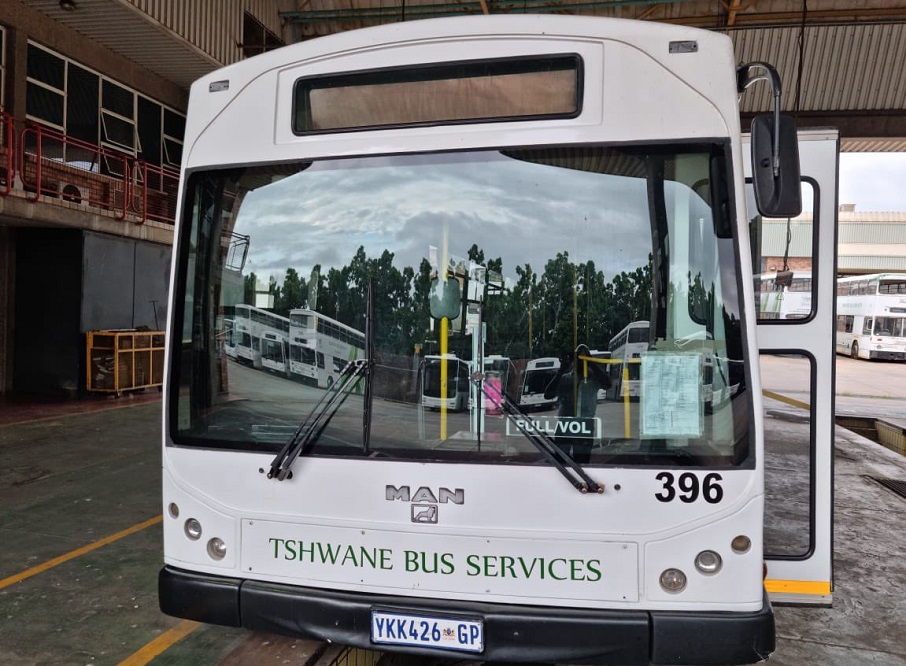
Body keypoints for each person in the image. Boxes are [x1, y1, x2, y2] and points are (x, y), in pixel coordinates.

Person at [543, 344, 611, 463]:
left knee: (582, 462)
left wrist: (592, 363)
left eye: (584, 358)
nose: (580, 361)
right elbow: (548, 394)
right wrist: (561, 369)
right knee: (560, 461)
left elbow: (608, 384)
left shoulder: (593, 379)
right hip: (565, 424)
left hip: (585, 425)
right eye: (578, 358)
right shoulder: (565, 378)